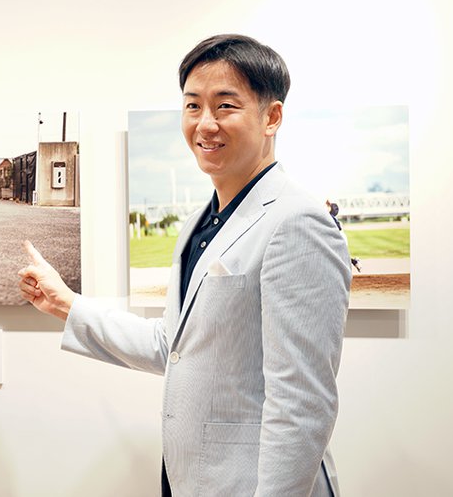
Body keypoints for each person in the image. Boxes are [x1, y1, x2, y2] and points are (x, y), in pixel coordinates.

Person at [19, 34, 351, 497]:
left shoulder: (297, 222)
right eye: (193, 106)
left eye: (225, 106)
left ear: (272, 117)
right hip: (193, 478)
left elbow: (302, 403)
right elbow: (172, 345)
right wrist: (67, 304)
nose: (205, 124)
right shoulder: (199, 223)